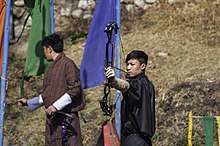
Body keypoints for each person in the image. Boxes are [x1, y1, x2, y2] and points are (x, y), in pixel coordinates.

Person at [18, 33, 85, 146]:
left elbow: (74, 89)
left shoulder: (68, 64)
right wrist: (28, 102)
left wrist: (55, 106)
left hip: (67, 121)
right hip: (54, 121)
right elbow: (48, 95)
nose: (44, 53)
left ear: (49, 49)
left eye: (44, 49)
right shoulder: (52, 68)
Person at [105, 50, 156, 146]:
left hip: (135, 140)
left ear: (143, 66)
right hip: (144, 141)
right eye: (127, 64)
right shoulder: (148, 84)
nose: (128, 68)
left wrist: (114, 80)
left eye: (132, 64)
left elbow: (126, 86)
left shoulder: (138, 84)